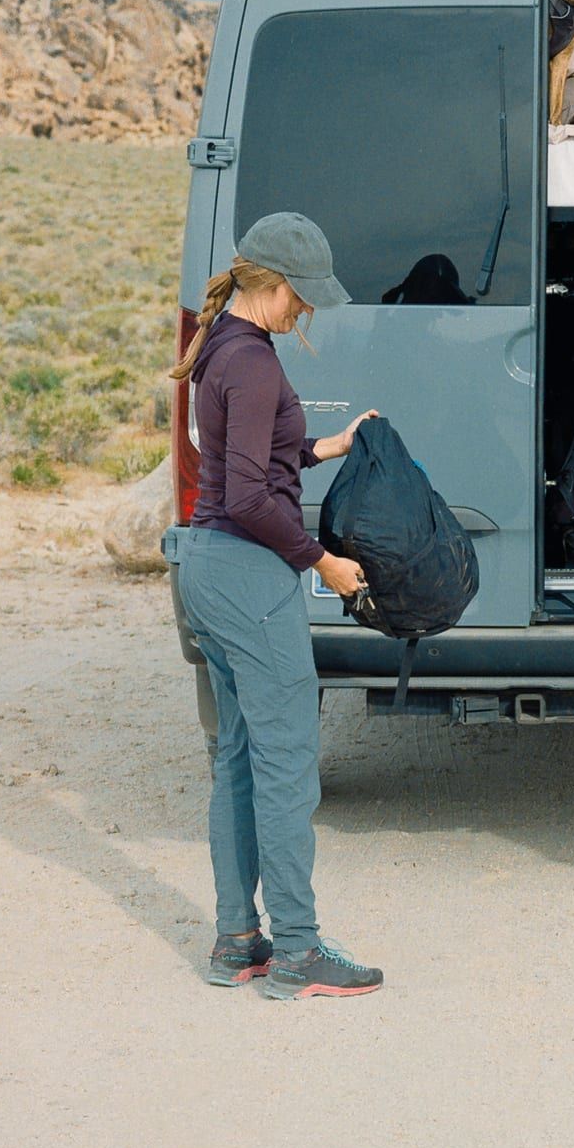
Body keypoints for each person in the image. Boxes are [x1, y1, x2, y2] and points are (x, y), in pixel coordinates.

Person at [166, 212, 384, 1000]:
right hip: (251, 576)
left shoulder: (222, 344)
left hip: (207, 566)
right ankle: (296, 950)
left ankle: (237, 941)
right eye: (305, 297)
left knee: (238, 760)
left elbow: (239, 459)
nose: (307, 312)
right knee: (287, 765)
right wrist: (324, 560)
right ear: (278, 284)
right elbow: (255, 498)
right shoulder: (252, 362)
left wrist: (325, 447)